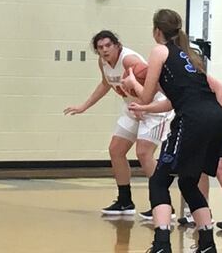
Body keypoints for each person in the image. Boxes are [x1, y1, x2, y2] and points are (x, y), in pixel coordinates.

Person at [125, 9, 222, 253]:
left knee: (159, 181)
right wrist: (145, 107)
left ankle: (161, 244)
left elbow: (147, 93)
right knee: (189, 183)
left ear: (156, 31)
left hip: (193, 120)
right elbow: (173, 100)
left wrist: (133, 85)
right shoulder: (188, 55)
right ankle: (207, 244)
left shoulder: (160, 51)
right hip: (217, 119)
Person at [64, 30, 172, 219]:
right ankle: (125, 201)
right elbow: (105, 84)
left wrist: (145, 106)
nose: (104, 50)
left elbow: (155, 84)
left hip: (155, 107)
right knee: (116, 150)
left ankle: (162, 203)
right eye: (100, 47)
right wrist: (84, 106)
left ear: (117, 45)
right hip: (133, 106)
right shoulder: (103, 62)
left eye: (108, 45)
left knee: (143, 153)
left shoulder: (129, 61)